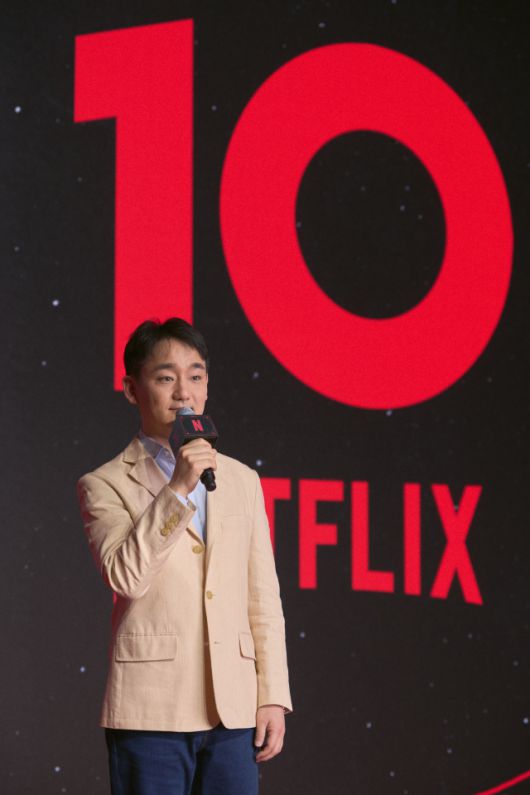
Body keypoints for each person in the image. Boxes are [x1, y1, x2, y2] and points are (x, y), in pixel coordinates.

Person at [77, 317, 292, 795]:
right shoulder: (104, 483)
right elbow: (126, 576)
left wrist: (272, 694)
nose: (183, 392)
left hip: (233, 710)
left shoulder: (241, 480)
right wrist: (178, 488)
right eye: (165, 377)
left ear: (207, 386)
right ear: (132, 389)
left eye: (195, 376)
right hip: (152, 711)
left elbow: (262, 597)